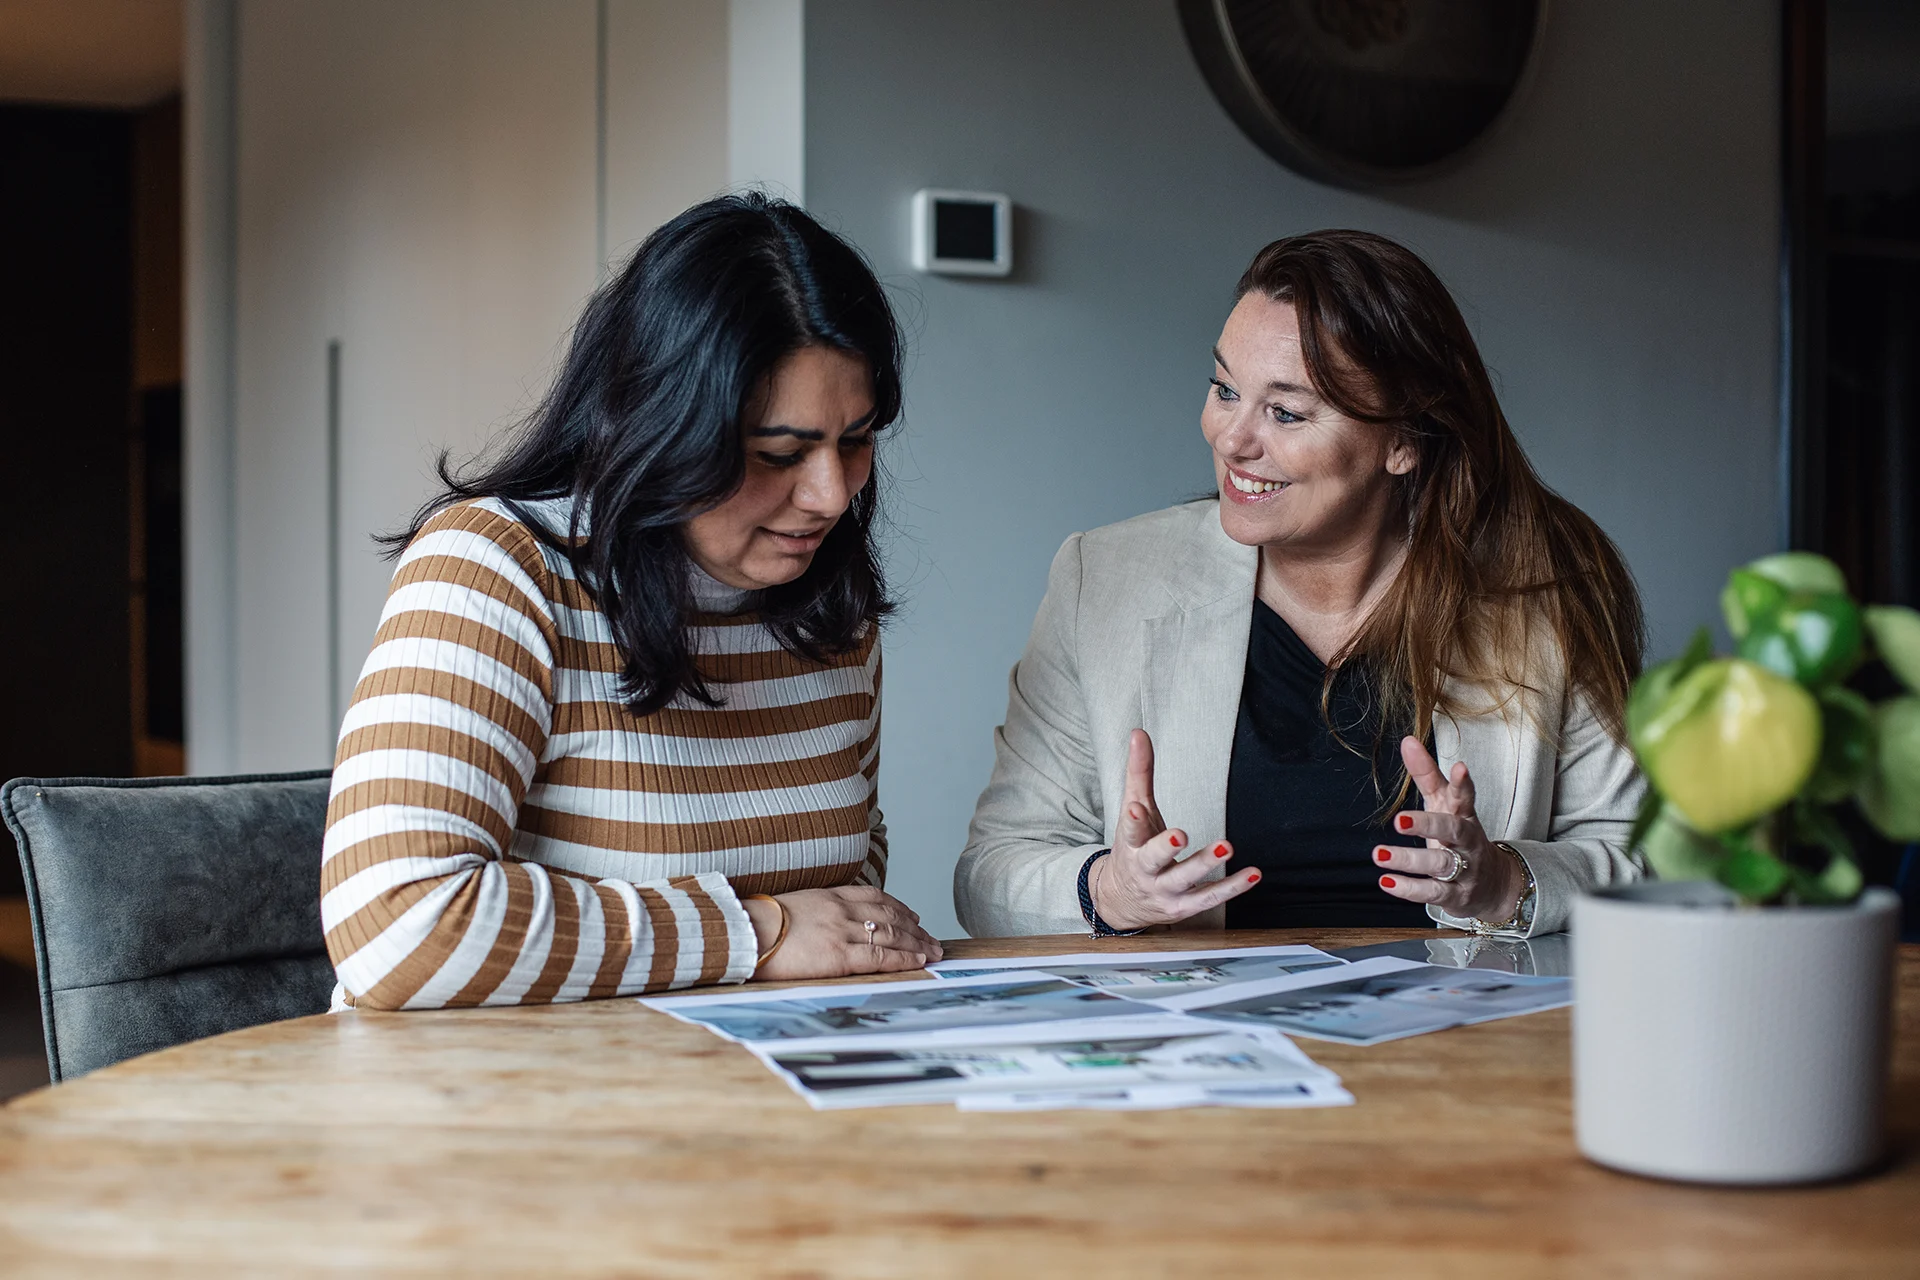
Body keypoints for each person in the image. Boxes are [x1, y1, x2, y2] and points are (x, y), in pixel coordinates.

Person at [320, 193, 941, 1011]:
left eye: (855, 441)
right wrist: (752, 934)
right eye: (779, 453)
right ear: (659, 424)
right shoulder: (498, 568)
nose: (829, 495)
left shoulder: (828, 605)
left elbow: (841, 896)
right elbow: (395, 926)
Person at [955, 230, 1646, 941]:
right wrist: (1111, 892)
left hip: (1463, 1043)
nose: (1231, 438)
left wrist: (1505, 884)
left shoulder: (1545, 590)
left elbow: (1645, 860)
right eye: (1225, 389)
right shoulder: (1101, 581)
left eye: (1285, 412)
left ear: (1404, 442)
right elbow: (988, 879)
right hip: (1212, 1044)